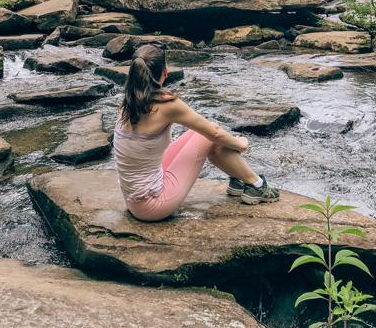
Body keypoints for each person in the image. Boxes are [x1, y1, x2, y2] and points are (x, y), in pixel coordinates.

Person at [113, 40, 280, 221]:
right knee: (208, 135)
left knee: (196, 133)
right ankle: (257, 184)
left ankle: (239, 181)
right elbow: (214, 132)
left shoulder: (128, 101)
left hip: (133, 199)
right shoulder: (167, 105)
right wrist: (241, 144)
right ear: (165, 72)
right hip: (151, 205)